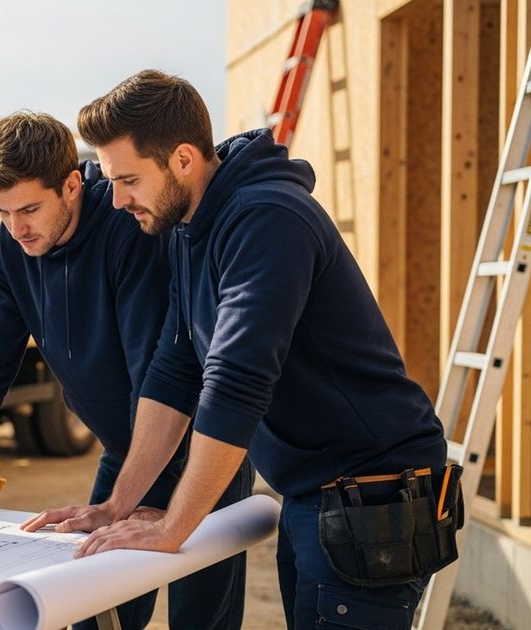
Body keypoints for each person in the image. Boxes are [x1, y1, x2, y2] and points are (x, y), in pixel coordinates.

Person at [23, 70, 450, 630]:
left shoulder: (268, 217)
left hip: (372, 494)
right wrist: (116, 505)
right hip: (315, 490)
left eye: (128, 180)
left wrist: (172, 527)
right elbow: (176, 369)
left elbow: (236, 380)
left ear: (182, 159)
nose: (118, 199)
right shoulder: (190, 228)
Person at [0, 111, 253, 630]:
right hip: (124, 451)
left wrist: (137, 505)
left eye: (29, 209)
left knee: (199, 620)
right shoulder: (9, 248)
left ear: (70, 185)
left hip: (198, 453)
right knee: (91, 610)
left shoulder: (128, 231)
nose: (16, 228)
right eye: (1, 212)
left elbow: (157, 373)